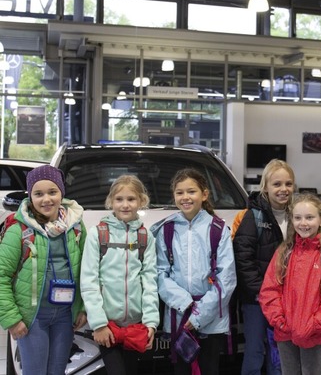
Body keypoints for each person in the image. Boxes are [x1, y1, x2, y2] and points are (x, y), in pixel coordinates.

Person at [0, 165, 87, 375]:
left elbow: (87, 271)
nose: (46, 199)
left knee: (57, 372)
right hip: (32, 317)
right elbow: (1, 276)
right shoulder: (19, 230)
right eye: (38, 194)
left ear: (61, 193)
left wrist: (82, 307)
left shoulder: (75, 227)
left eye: (52, 192)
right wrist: (12, 319)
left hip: (65, 315)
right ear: (30, 196)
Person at [152, 168, 237, 375]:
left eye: (191, 191)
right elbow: (160, 273)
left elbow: (226, 277)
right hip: (179, 315)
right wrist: (185, 304)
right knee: (181, 369)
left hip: (211, 319)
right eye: (180, 192)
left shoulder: (218, 230)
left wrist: (199, 315)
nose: (185, 197)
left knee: (209, 368)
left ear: (204, 194)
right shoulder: (167, 230)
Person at [80, 175, 159, 375]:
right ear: (110, 202)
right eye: (119, 199)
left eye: (131, 199)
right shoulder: (97, 234)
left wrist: (150, 322)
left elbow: (150, 281)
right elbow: (89, 280)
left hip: (135, 325)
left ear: (141, 201)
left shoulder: (145, 236)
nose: (125, 205)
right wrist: (98, 324)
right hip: (107, 325)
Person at [259, 193, 321, 375]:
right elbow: (269, 290)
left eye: (309, 217)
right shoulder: (284, 252)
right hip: (285, 331)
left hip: (313, 334)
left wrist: (313, 326)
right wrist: (279, 321)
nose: (303, 223)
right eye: (298, 218)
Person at [233, 159, 295, 375]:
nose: (283, 189)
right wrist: (263, 294)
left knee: (280, 353)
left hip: (288, 299)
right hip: (257, 300)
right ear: (265, 187)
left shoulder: (298, 217)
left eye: (288, 184)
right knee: (255, 351)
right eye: (277, 184)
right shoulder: (253, 216)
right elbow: (243, 259)